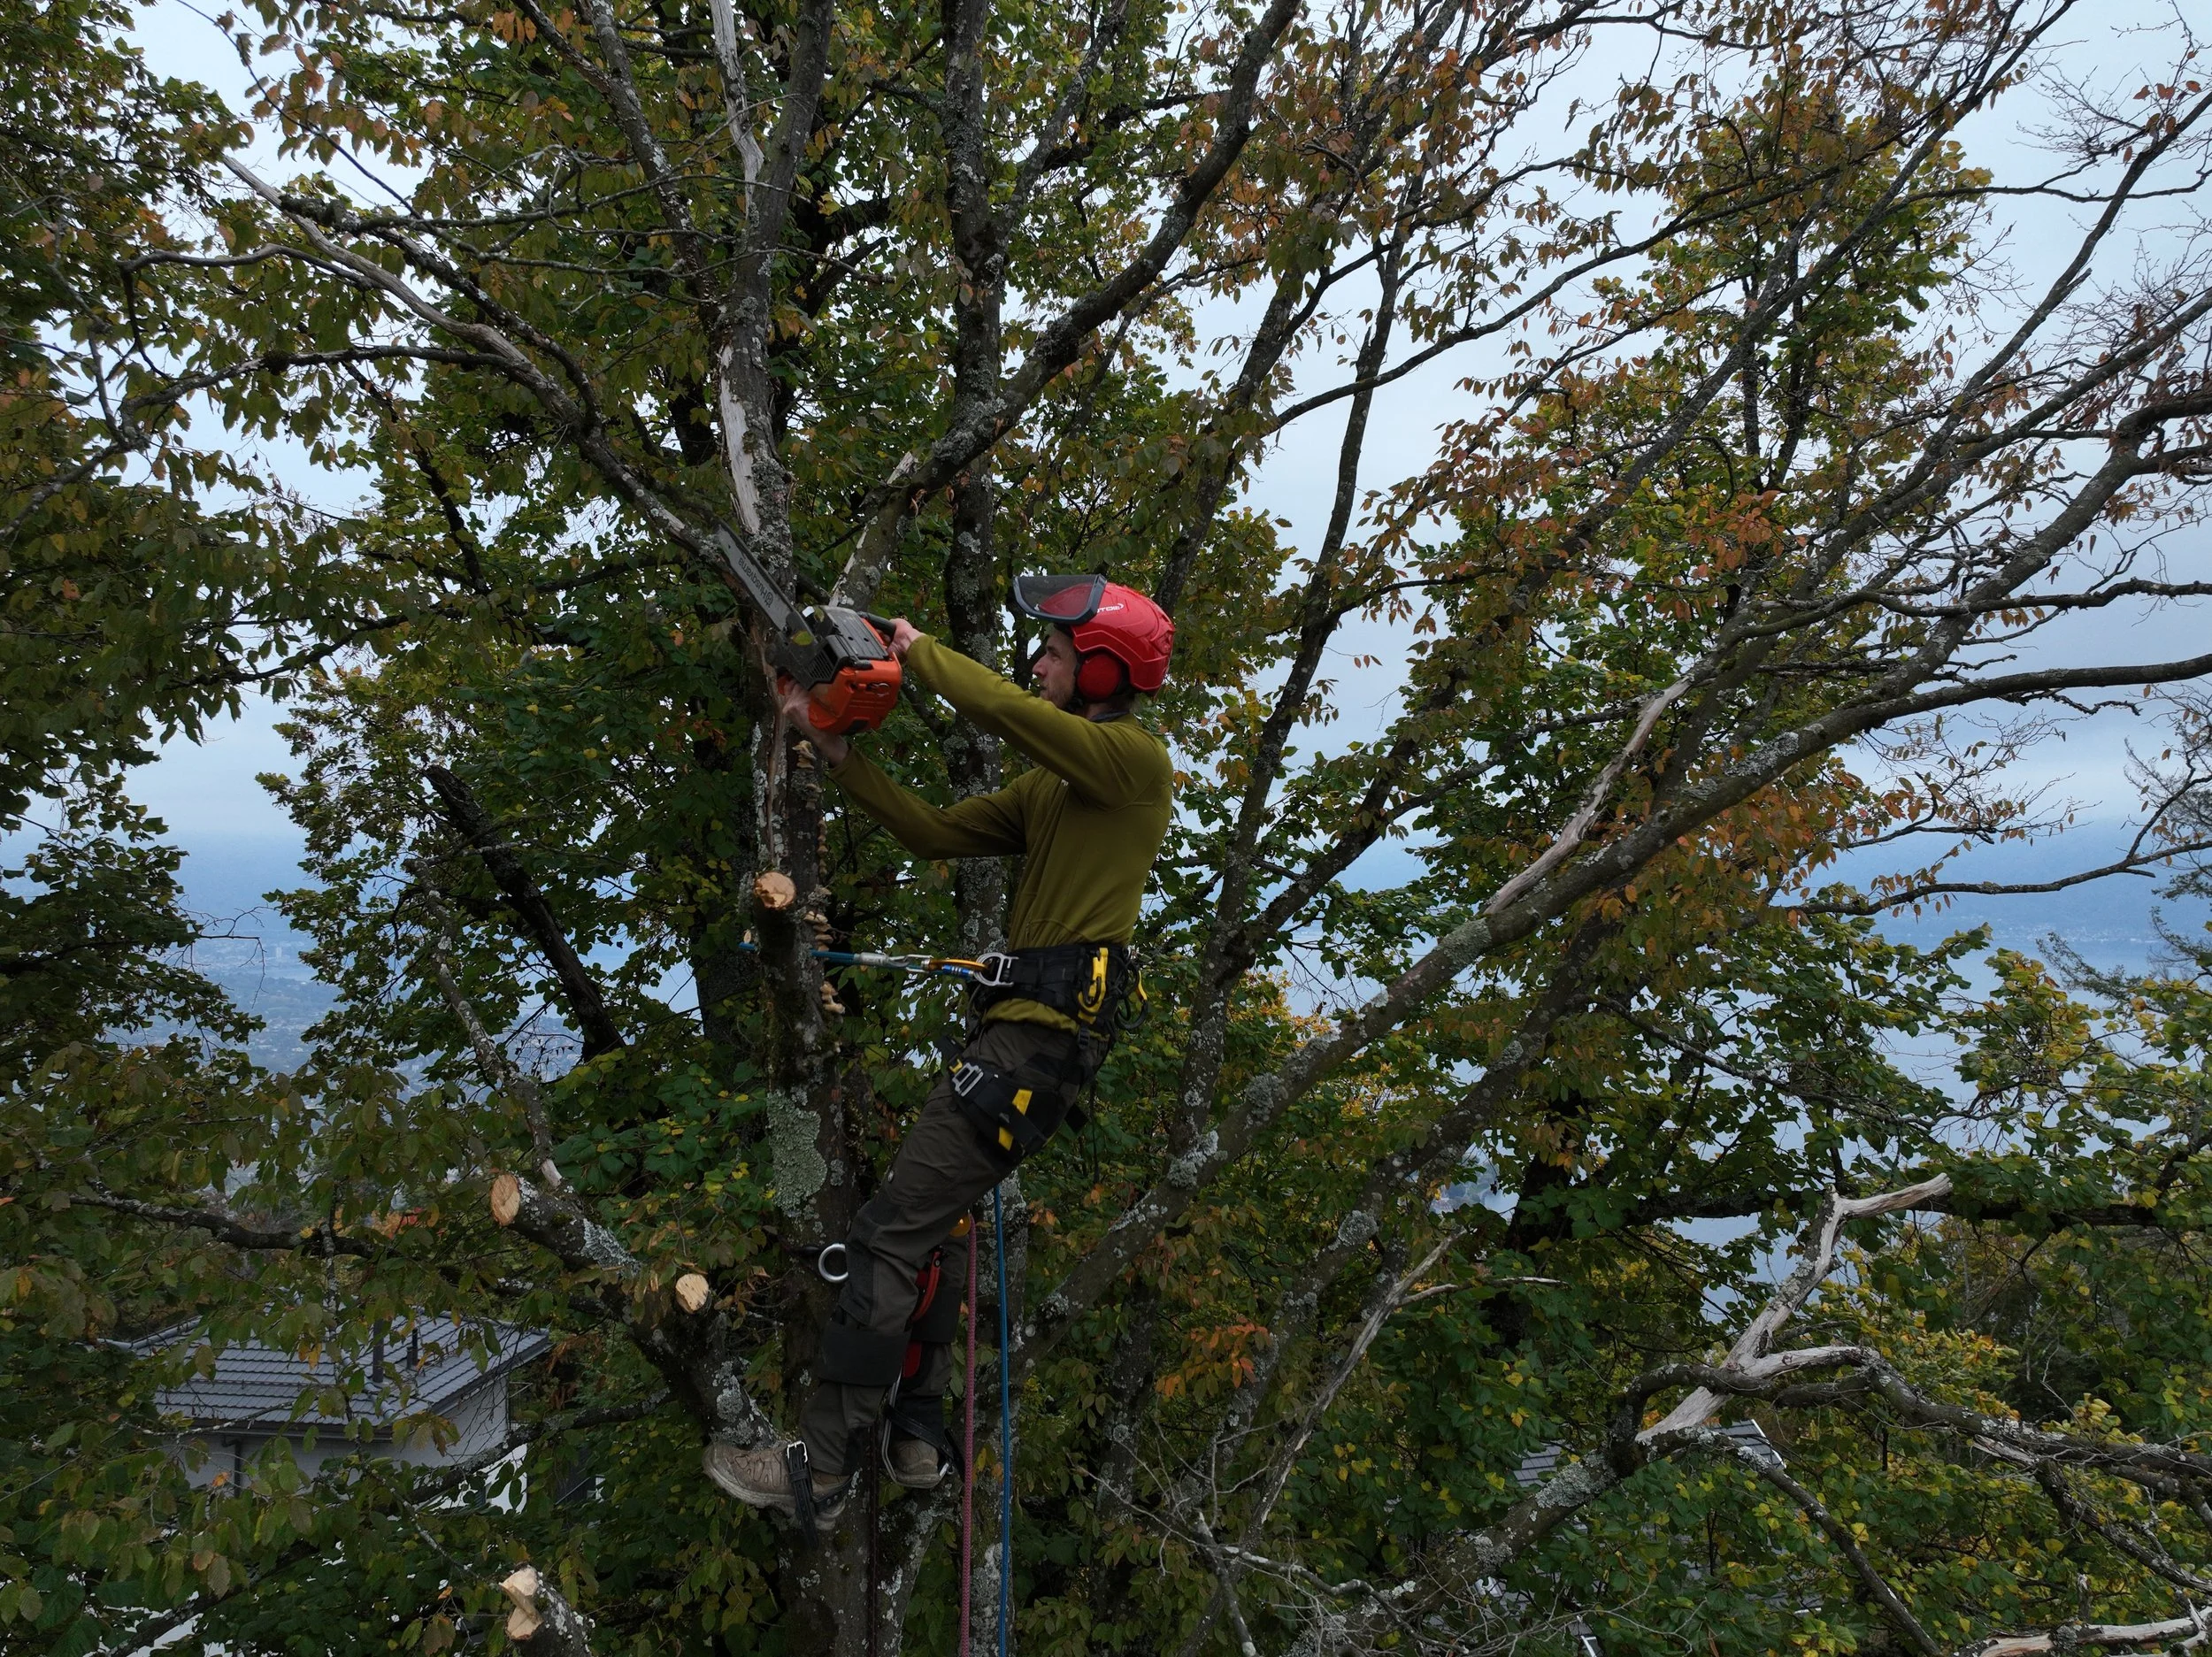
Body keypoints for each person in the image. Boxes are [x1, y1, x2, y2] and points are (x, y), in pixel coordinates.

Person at [703, 576, 1176, 1525]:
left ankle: (822, 1465)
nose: (1035, 663)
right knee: (938, 1239)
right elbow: (931, 832)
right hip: (1020, 1051)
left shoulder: (1129, 763)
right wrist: (837, 755)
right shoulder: (1058, 786)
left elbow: (1002, 710)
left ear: (1100, 668)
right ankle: (917, 1436)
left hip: (1030, 1055)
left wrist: (916, 651)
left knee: (882, 1238)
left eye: (1051, 650)